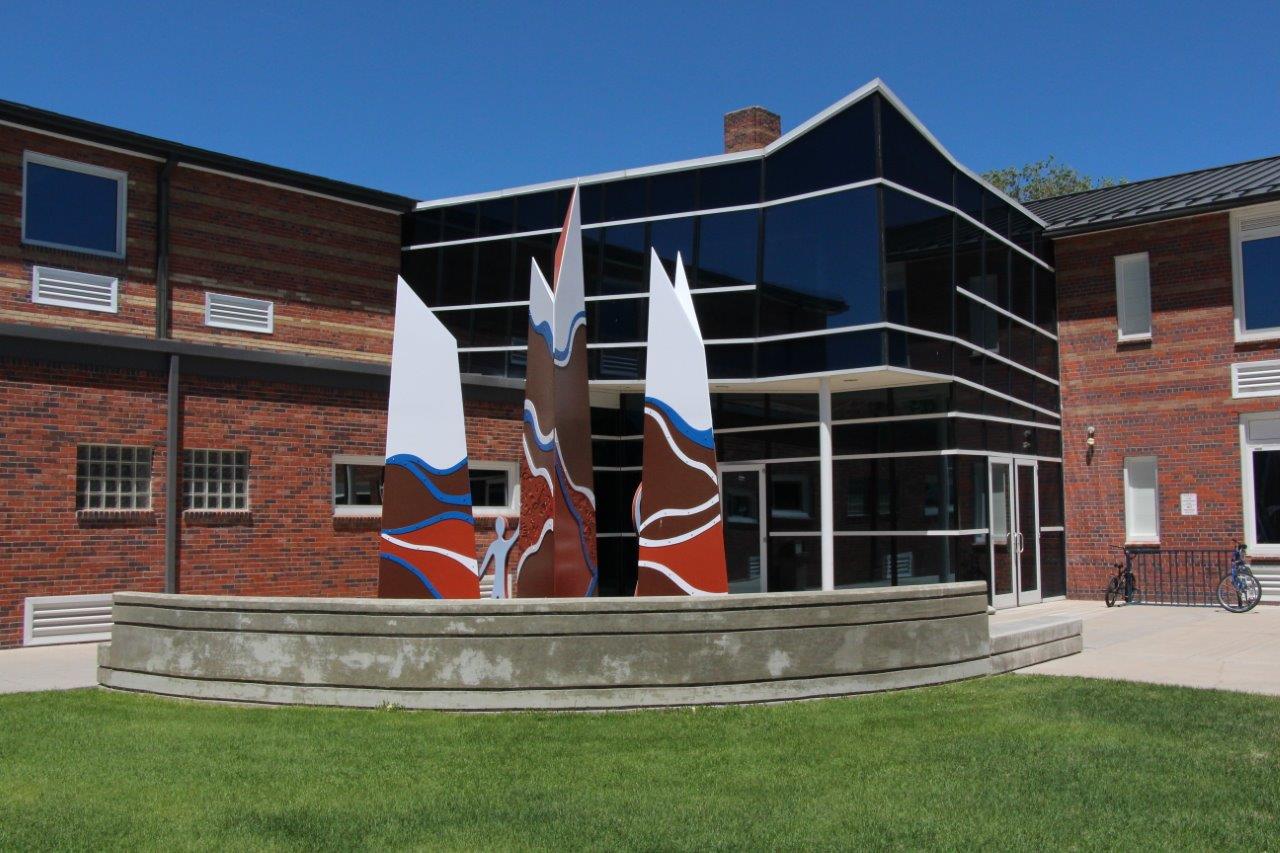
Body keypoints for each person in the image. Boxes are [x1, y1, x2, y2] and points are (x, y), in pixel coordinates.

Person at [478, 516, 519, 599]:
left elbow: (481, 571)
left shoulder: (495, 545)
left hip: (499, 584)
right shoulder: (502, 544)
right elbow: (515, 536)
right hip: (500, 584)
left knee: (498, 597)